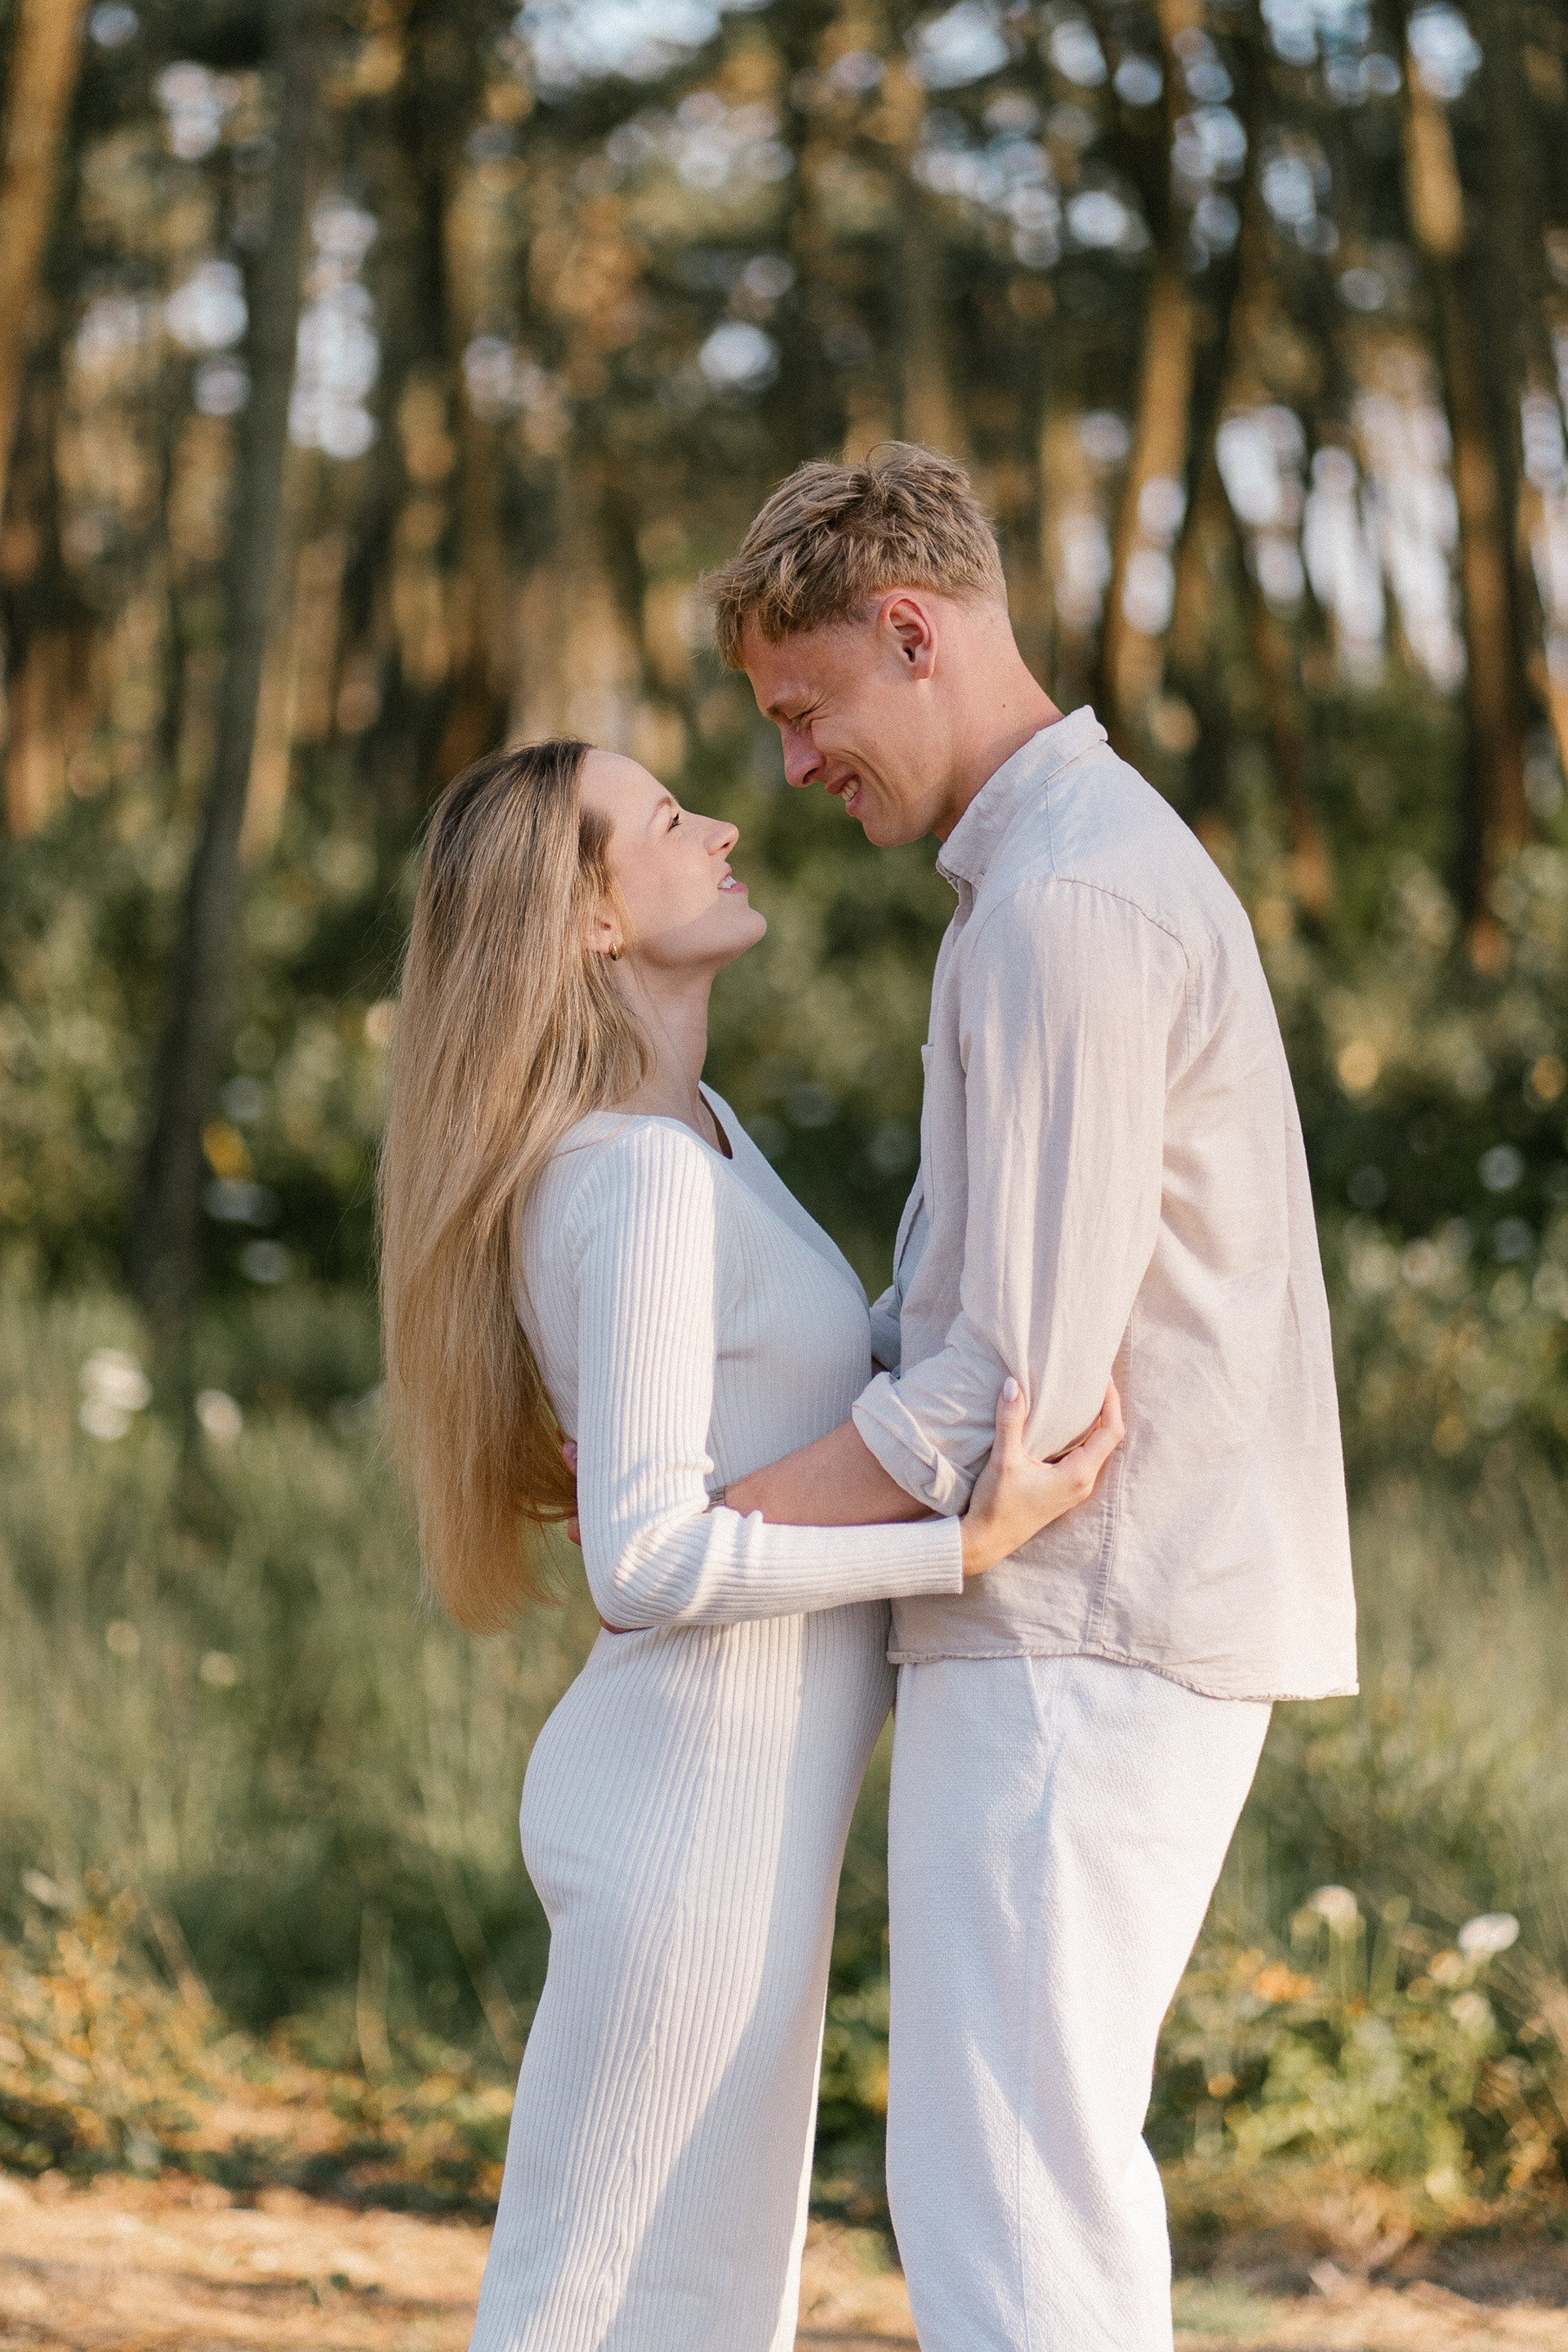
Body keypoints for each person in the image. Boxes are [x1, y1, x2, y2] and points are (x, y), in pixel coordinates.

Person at [702, 443, 1358, 2351]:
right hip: (1083, 1618)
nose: (792, 766)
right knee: (1016, 2177)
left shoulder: (1071, 901)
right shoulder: (1048, 880)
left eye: (805, 708)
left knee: (1012, 2191)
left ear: (914, 633)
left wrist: (714, 1528)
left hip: (1088, 1620)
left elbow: (1011, 1390)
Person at [376, 734, 1123, 2352]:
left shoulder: (700, 1129)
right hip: (683, 1821)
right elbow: (644, 1562)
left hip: (735, 1823)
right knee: (599, 2310)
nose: (721, 825)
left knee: (705, 2314)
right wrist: (954, 1551)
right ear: (589, 917)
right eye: (664, 820)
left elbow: (775, 1403)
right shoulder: (636, 1175)